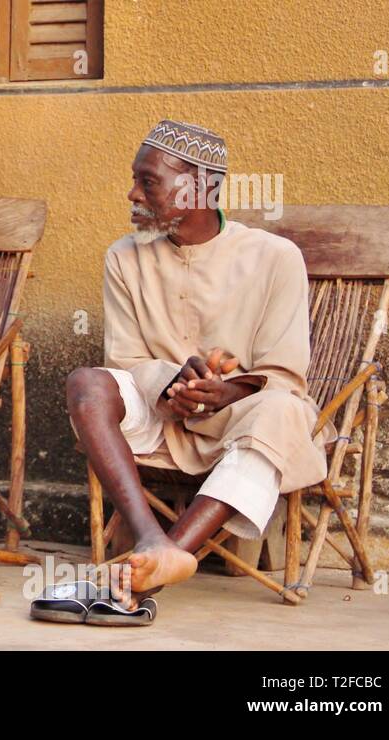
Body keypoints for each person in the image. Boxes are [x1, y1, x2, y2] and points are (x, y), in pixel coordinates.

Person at [61, 120, 327, 616]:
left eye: (147, 181)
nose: (132, 192)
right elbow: (126, 360)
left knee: (283, 412)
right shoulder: (123, 257)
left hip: (242, 421)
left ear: (198, 187)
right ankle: (149, 541)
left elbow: (284, 372)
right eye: (135, 179)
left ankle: (163, 558)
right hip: (161, 416)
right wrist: (171, 387)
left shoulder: (275, 258)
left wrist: (220, 394)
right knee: (87, 383)